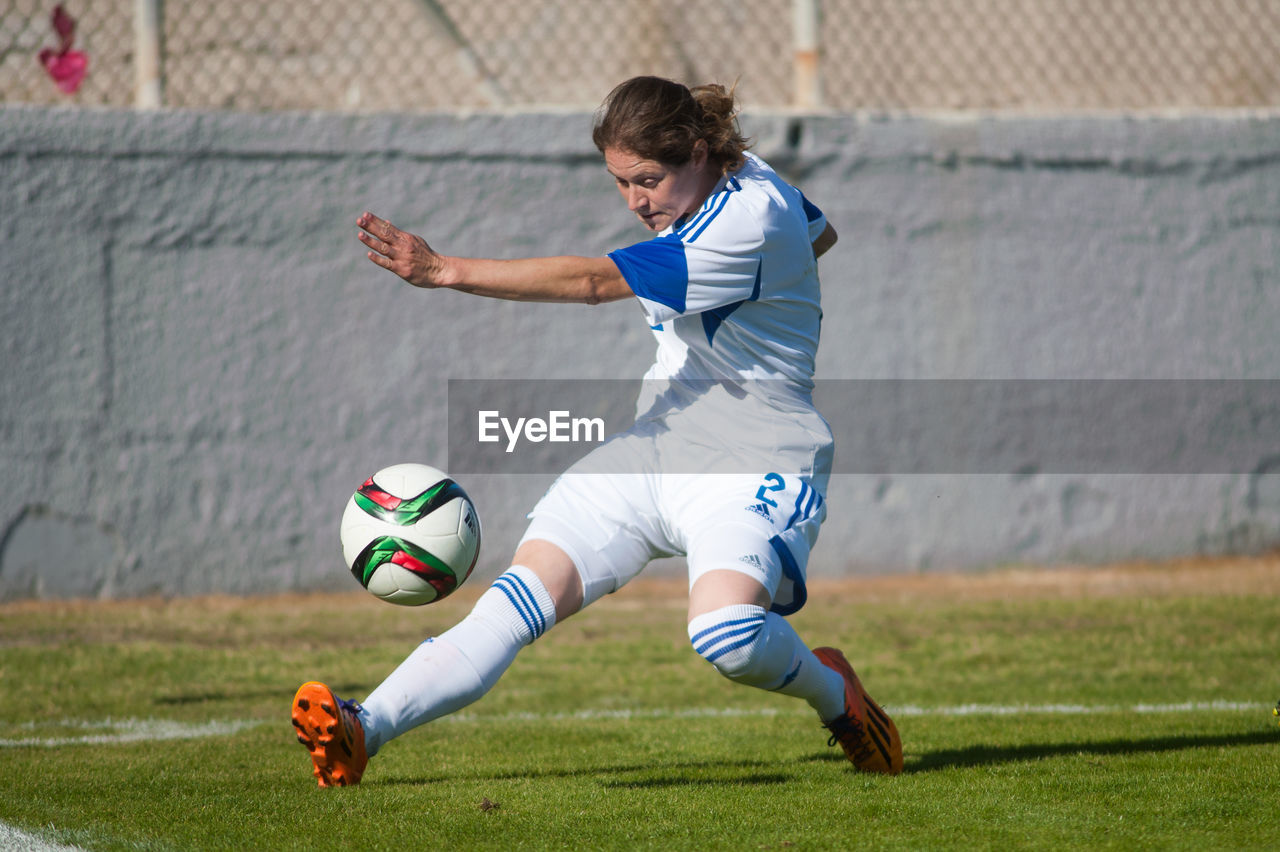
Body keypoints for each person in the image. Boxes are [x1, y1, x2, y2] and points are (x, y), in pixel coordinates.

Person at [291, 76, 903, 787]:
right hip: (654, 449)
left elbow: (592, 284)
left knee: (725, 636)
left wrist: (443, 269)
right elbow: (820, 234)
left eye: (651, 179)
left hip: (756, 462)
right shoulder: (745, 190)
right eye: (621, 182)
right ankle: (364, 728)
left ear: (701, 152)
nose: (638, 201)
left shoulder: (748, 217)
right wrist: (775, 297)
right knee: (519, 599)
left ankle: (836, 692)